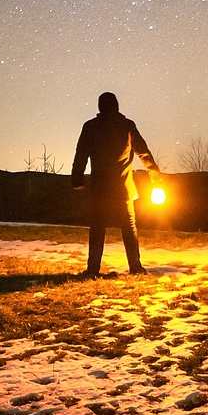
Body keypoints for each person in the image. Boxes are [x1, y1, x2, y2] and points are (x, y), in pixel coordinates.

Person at [70, 90, 162, 276]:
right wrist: (155, 175)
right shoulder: (127, 126)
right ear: (117, 106)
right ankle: (135, 267)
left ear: (100, 107)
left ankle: (93, 269)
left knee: (97, 228)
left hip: (100, 188)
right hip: (123, 188)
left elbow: (81, 155)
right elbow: (143, 152)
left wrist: (77, 179)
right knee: (129, 227)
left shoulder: (90, 127)